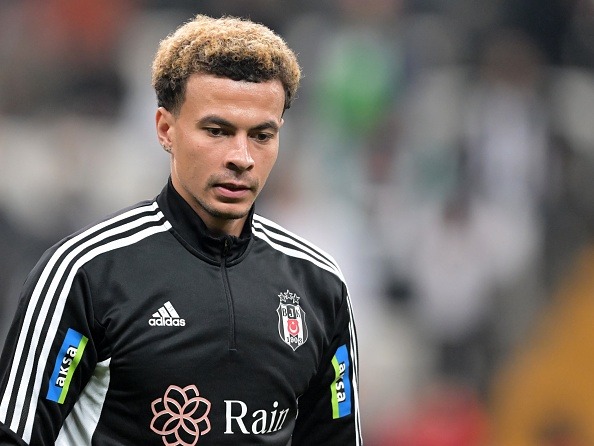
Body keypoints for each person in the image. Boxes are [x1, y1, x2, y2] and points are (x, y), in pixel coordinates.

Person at [0, 14, 361, 445]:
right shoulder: (85, 274)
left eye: (262, 135)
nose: (242, 157)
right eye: (217, 131)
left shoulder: (319, 285)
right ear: (166, 130)